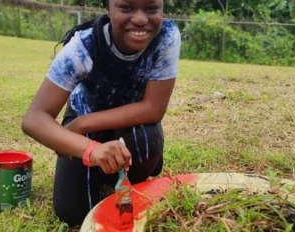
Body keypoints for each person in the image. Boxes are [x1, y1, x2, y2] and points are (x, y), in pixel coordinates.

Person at [21, 0, 181, 227]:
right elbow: (34, 119)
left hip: (132, 124)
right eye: (126, 8)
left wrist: (81, 124)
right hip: (85, 115)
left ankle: (129, 167)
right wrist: (91, 150)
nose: (140, 19)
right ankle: (101, 165)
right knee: (74, 213)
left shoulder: (166, 35)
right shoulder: (84, 46)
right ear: (108, 9)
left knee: (145, 143)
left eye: (151, 9)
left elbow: (153, 108)